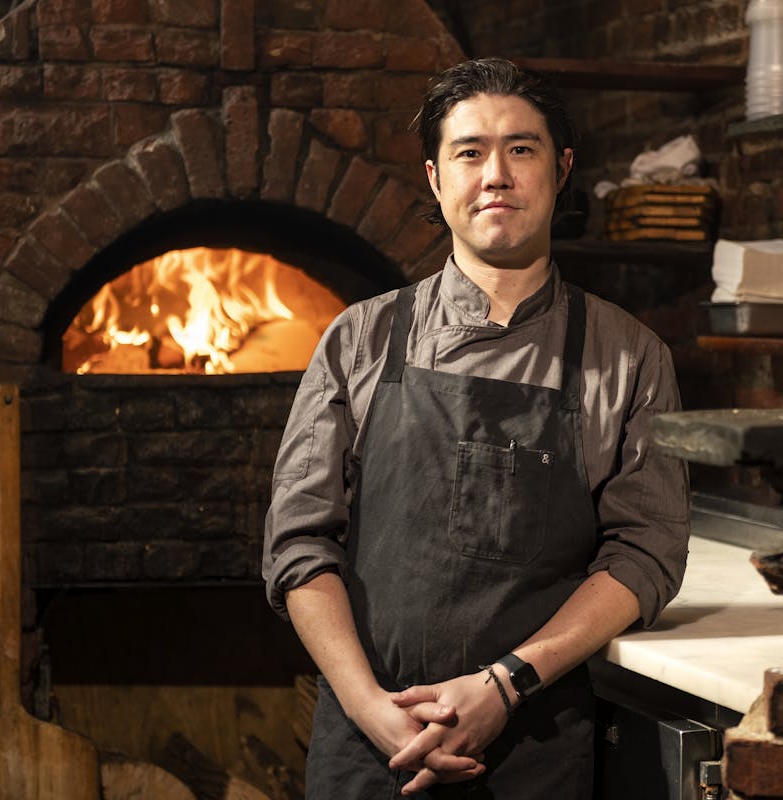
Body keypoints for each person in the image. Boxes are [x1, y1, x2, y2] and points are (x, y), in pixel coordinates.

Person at [262, 57, 690, 798]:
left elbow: (647, 550)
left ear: (561, 170)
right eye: (470, 152)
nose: (496, 174)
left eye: (521, 149)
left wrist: (504, 685)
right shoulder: (360, 340)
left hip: (535, 743)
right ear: (435, 179)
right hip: (373, 746)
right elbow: (299, 542)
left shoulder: (629, 355)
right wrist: (371, 708)